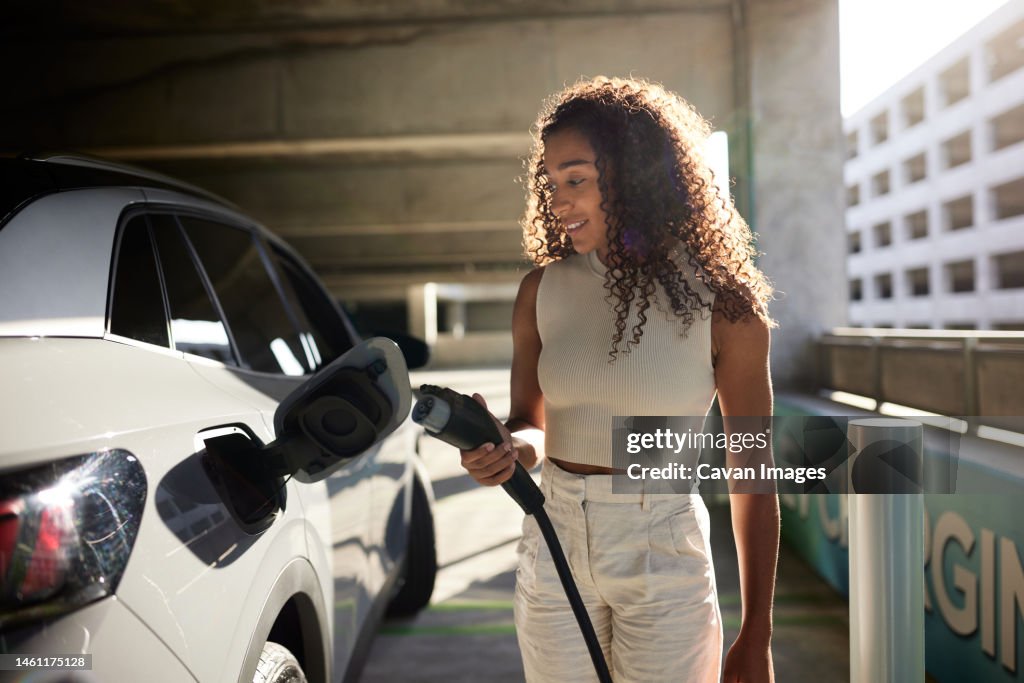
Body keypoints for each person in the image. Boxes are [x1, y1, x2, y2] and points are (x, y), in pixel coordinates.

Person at [460, 76, 779, 683]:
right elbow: (532, 423)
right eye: (551, 183)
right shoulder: (540, 292)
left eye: (575, 179)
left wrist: (757, 632)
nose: (557, 201)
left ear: (635, 176)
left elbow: (753, 475)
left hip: (662, 544)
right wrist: (506, 448)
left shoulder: (726, 306)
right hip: (553, 538)